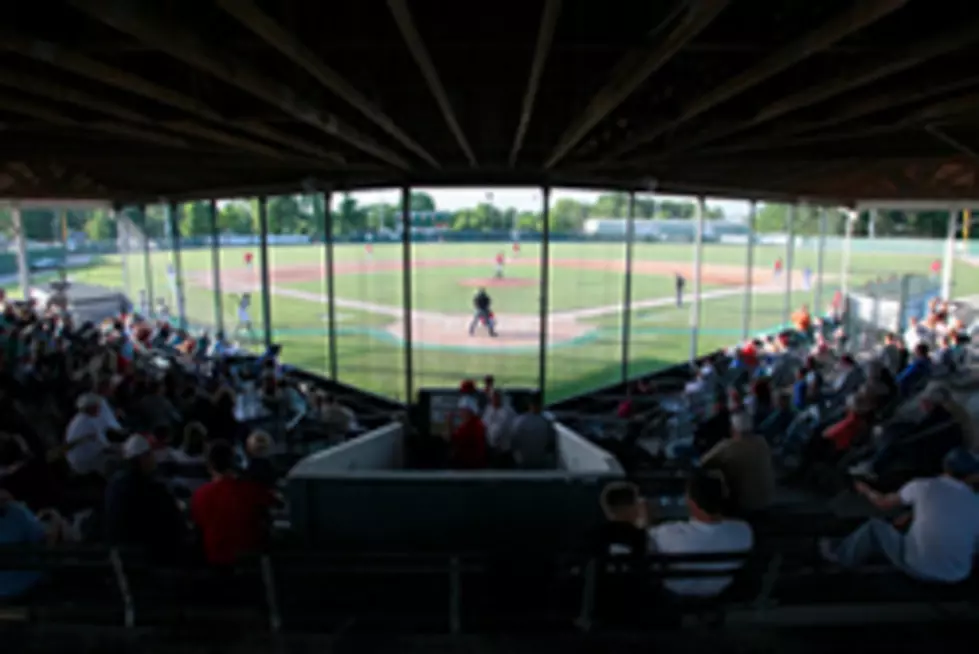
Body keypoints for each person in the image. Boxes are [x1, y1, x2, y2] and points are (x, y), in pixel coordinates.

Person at [821, 448, 979, 584]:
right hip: (958, 575)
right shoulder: (975, 501)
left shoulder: (923, 485)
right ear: (972, 476)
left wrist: (865, 490)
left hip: (917, 567)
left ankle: (841, 557)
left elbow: (883, 503)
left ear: (945, 466)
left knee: (875, 527)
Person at [606, 471, 753, 598]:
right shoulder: (743, 530)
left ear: (692, 503)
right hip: (719, 589)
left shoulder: (668, 533)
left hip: (673, 593)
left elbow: (637, 542)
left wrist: (644, 519)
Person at [104, 434, 188, 562]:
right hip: (147, 556)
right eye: (150, 454)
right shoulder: (152, 488)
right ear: (143, 458)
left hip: (121, 554)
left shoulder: (114, 485)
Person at [191, 440, 274, 566]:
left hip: (215, 563)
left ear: (210, 465)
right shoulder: (252, 490)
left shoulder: (200, 495)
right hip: (251, 563)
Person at [700, 412, 774, 515]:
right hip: (766, 502)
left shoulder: (727, 446)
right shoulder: (762, 442)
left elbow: (703, 463)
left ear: (733, 429)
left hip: (743, 505)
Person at [508, 392, 556, 469]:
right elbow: (551, 444)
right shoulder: (546, 422)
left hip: (524, 462)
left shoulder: (519, 421)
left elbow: (512, 443)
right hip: (539, 463)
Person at [446, 397, 487, 469]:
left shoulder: (475, 425)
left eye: (463, 410)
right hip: (466, 462)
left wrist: (450, 424)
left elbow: (456, 439)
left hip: (470, 465)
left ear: (469, 412)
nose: (460, 413)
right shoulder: (466, 425)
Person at [482, 390, 516, 461]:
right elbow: (484, 425)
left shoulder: (508, 411)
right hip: (490, 449)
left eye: (497, 397)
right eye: (493, 397)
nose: (495, 399)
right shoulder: (488, 410)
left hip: (505, 450)